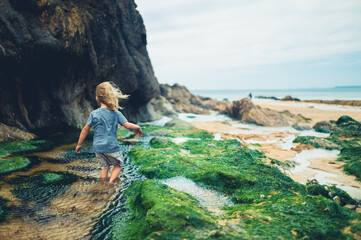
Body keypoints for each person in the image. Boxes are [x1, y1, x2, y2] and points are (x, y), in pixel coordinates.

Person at [75, 82, 142, 184]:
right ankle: (110, 182)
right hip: (111, 146)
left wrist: (79, 144)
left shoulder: (94, 113)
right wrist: (137, 127)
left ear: (97, 98)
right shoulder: (116, 113)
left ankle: (103, 184)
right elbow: (127, 125)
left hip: (98, 147)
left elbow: (85, 129)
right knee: (118, 164)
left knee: (104, 167)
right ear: (111, 96)